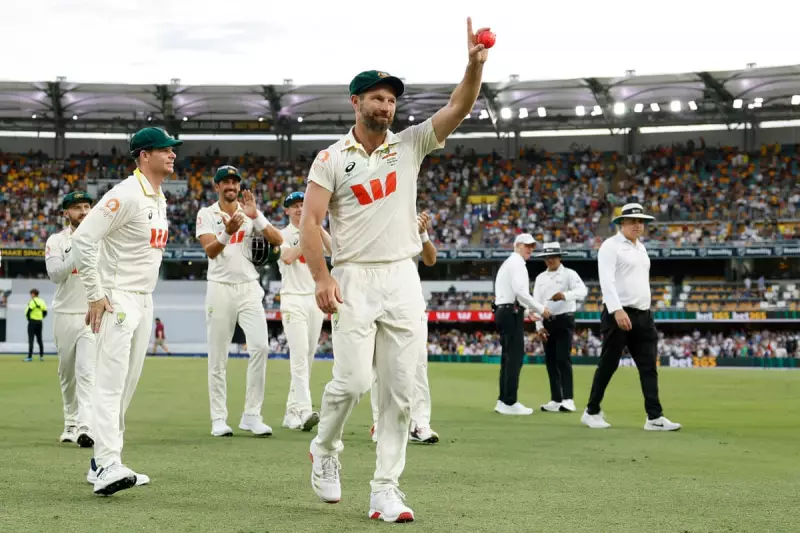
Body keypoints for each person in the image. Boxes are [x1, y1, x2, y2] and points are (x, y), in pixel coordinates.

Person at [301, 18, 491, 523]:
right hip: (355, 276)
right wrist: (323, 278)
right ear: (356, 103)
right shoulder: (330, 159)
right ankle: (325, 449)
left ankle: (385, 488)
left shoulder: (409, 144)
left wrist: (472, 66)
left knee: (401, 390)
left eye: (391, 100)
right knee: (353, 382)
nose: (386, 107)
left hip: (402, 276)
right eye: (377, 99)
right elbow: (310, 221)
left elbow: (458, 107)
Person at [72, 126, 182, 495]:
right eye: (165, 149)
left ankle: (101, 462)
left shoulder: (157, 196)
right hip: (118, 298)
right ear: (144, 155)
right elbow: (83, 238)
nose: (172, 154)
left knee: (126, 386)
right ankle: (107, 464)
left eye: (172, 149)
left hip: (143, 298)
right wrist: (95, 294)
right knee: (110, 384)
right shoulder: (126, 195)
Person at [196, 165, 283, 438]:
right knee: (218, 356)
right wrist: (228, 231)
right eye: (226, 182)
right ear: (217, 186)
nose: (231, 186)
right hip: (220, 288)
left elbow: (278, 241)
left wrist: (255, 216)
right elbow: (210, 250)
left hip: (248, 287)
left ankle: (251, 415)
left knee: (260, 348)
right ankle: (219, 419)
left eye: (235, 182)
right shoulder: (207, 214)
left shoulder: (250, 213)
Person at [581, 203, 681, 431]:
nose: (639, 225)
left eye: (641, 221)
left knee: (648, 367)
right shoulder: (611, 246)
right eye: (634, 221)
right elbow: (606, 280)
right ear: (622, 223)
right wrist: (617, 309)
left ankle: (654, 417)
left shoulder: (641, 248)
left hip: (643, 315)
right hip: (618, 314)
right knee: (608, 364)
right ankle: (591, 411)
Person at [370, 212, 439, 445]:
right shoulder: (373, 221)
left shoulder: (410, 223)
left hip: (411, 303)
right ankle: (380, 423)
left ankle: (420, 424)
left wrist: (423, 233)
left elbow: (430, 260)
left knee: (419, 365)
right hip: (378, 302)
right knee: (380, 368)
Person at [45, 191, 96, 447]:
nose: (84, 212)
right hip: (64, 314)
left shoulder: (101, 237)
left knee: (87, 371)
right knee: (67, 373)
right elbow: (55, 274)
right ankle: (70, 423)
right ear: (66, 213)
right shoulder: (56, 241)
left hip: (90, 314)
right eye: (77, 208)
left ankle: (86, 426)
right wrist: (78, 251)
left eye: (87, 206)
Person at [277, 191, 330, 432]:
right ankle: (305, 410)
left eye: (302, 205)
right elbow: (287, 256)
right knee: (299, 357)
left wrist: (316, 228)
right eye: (294, 206)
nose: (299, 209)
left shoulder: (313, 229)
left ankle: (291, 412)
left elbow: (334, 250)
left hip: (313, 299)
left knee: (307, 358)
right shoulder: (281, 234)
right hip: (292, 299)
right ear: (286, 211)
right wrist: (306, 236)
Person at [492, 233, 550, 415]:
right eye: (527, 245)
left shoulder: (509, 263)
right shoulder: (517, 263)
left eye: (532, 246)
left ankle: (504, 400)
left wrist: (526, 311)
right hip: (510, 312)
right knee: (514, 358)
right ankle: (509, 401)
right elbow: (521, 292)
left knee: (508, 358)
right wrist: (540, 308)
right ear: (517, 245)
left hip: (506, 310)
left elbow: (510, 294)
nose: (530, 249)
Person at [532, 242, 587, 413]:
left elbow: (582, 291)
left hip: (565, 319)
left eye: (553, 257)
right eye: (547, 257)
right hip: (547, 321)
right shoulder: (541, 278)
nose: (550, 260)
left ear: (559, 257)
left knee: (563, 359)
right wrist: (539, 326)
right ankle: (556, 399)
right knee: (550, 361)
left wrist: (565, 295)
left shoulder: (569, 274)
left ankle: (568, 399)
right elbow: (536, 303)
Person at [24, 289, 48, 361]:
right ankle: (41, 356)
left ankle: (30, 357)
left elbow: (28, 311)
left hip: (32, 322)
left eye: (31, 294)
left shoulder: (32, 301)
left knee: (31, 339)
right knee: (40, 339)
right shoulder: (42, 301)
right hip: (39, 322)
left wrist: (29, 319)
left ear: (34, 294)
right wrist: (40, 318)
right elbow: (45, 312)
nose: (31, 295)